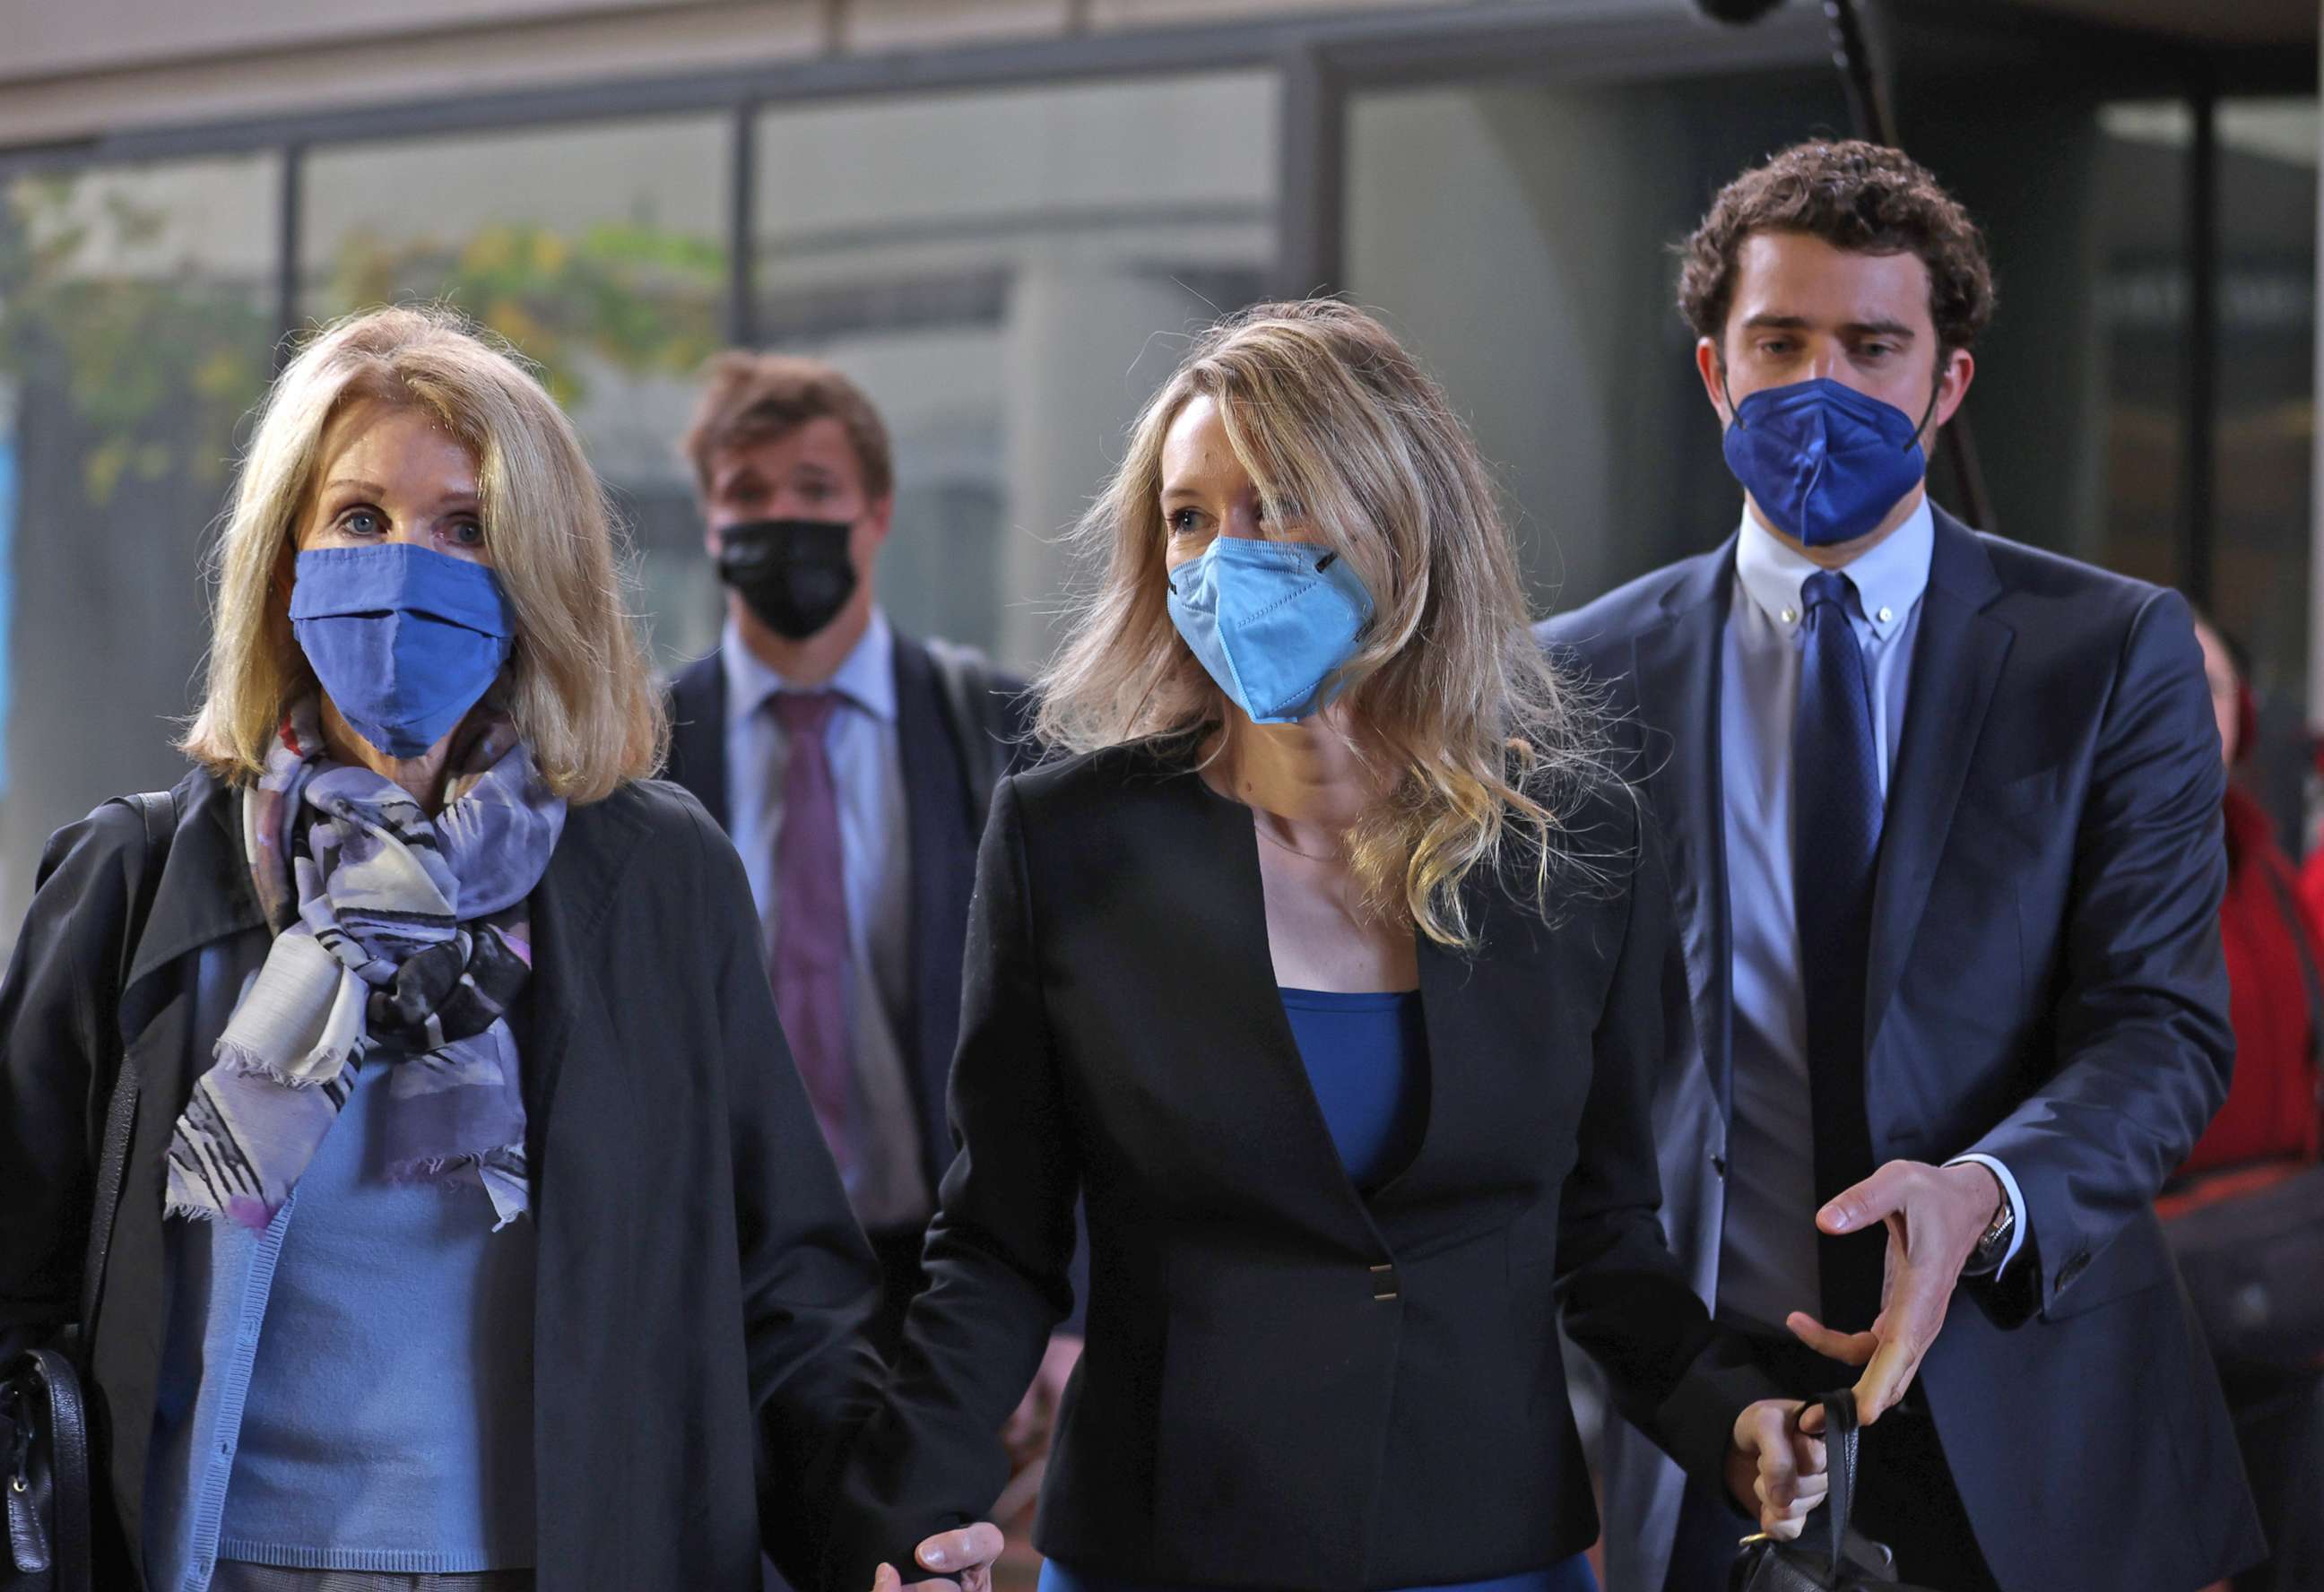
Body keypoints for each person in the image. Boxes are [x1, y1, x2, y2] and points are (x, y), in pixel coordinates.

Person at [820, 299, 1828, 1592]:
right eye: (1190, 517)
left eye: (1279, 502)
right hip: (1165, 1552)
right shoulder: (1067, 841)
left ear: (1402, 522)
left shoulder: (1575, 848)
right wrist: (906, 1517)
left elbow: (1606, 1240)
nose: (1225, 558)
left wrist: (1724, 1414)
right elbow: (1000, 1247)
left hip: (1489, 1554)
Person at [0, 306, 998, 1592]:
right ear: (285, 557)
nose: (408, 568)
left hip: (567, 1560)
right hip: (213, 1562)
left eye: (465, 528)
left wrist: (883, 1538)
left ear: (538, 570)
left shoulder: (656, 878)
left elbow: (785, 1289)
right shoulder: (138, 881)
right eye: (360, 519)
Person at [1537, 140, 2262, 1592]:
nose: (1824, 386)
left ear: (1946, 385)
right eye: (1779, 342)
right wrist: (1686, 1392)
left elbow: (2163, 1031)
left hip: (2039, 1406)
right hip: (1714, 1433)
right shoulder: (1572, 683)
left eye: (1872, 347)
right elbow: (1564, 1103)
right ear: (1711, 374)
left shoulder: (2107, 654)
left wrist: (1985, 1193)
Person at [656, 350, 1082, 1444]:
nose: (781, 517)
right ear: (709, 521)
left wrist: (1067, 1302)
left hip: (941, 1270)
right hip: (716, 1267)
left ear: (877, 511)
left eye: (814, 489)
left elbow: (1075, 1041)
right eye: (747, 493)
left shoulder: (999, 730)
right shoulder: (637, 751)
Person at [2170, 614, 2324, 1592]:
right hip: (2150, 1300)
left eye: (2213, 687)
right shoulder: (2069, 870)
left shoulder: (2268, 869)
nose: (2192, 710)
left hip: (2290, 1301)